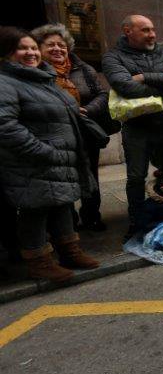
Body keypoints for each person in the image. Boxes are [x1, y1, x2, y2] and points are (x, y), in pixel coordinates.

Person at [0, 27, 99, 282]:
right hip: (33, 162)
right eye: (23, 48)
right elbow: (5, 126)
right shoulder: (6, 82)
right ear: (7, 53)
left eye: (33, 48)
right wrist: (42, 151)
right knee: (36, 210)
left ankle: (69, 251)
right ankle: (39, 262)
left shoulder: (42, 78)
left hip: (59, 158)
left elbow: (69, 112)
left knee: (62, 204)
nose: (31, 52)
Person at [103, 15, 163, 238]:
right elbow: (125, 87)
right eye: (145, 30)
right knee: (136, 177)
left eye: (153, 29)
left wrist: (144, 77)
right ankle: (138, 223)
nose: (152, 34)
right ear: (128, 31)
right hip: (138, 129)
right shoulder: (113, 57)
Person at [33, 23, 117, 232]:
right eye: (50, 45)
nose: (57, 49)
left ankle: (92, 216)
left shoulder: (83, 69)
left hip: (84, 131)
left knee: (90, 174)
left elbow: (102, 94)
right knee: (62, 178)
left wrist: (87, 110)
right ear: (39, 48)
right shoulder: (35, 73)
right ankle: (68, 221)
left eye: (61, 45)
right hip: (55, 136)